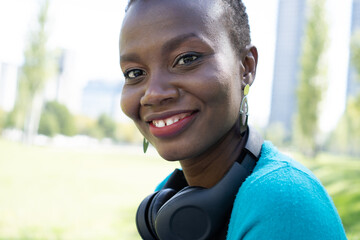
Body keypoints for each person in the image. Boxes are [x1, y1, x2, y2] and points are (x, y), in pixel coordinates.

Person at [119, 0, 347, 239]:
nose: (153, 94)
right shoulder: (169, 201)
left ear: (246, 67)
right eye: (135, 73)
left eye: (187, 59)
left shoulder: (284, 201)